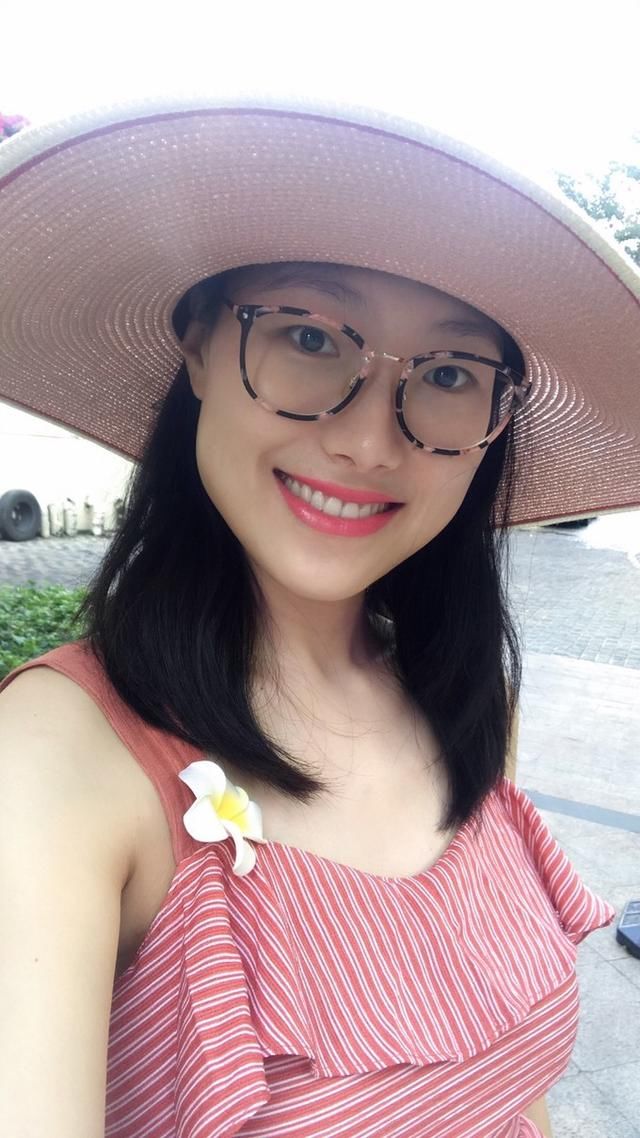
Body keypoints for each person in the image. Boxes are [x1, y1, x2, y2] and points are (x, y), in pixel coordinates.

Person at [0, 95, 638, 1138]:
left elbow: (514, 1098)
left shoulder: (462, 698)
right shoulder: (57, 760)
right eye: (308, 335)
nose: (367, 440)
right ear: (198, 346)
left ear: (493, 425)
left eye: (446, 373)